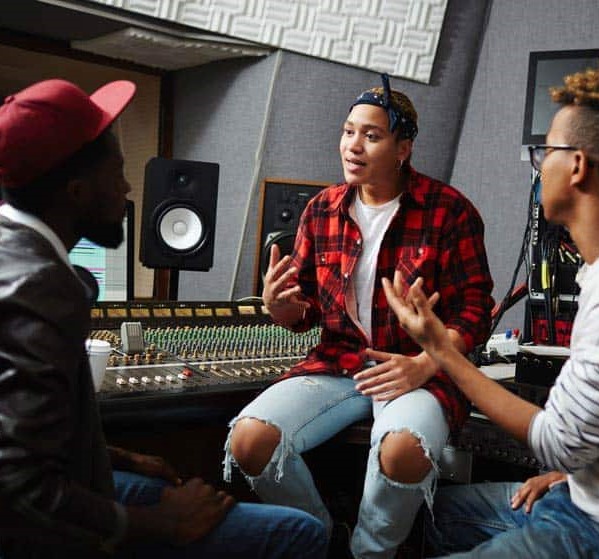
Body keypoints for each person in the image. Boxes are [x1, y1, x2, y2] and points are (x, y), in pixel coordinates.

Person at [0, 78, 327, 559]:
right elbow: (16, 489)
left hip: (69, 481)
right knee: (299, 532)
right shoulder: (40, 287)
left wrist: (119, 457)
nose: (127, 188)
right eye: (117, 172)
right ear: (76, 191)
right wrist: (162, 524)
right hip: (44, 527)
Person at [224, 73, 494, 558]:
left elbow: (476, 311)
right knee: (249, 441)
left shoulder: (450, 211)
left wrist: (427, 363)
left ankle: (369, 553)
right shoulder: (321, 210)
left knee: (404, 451)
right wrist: (281, 308)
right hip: (340, 364)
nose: (353, 145)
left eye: (372, 135)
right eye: (349, 131)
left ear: (403, 148)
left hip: (417, 368)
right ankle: (323, 540)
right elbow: (305, 310)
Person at [381, 66, 599, 559]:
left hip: (590, 528)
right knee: (416, 516)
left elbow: (555, 441)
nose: (538, 166)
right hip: (572, 491)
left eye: (545, 152)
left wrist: (441, 350)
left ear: (577, 167)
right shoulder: (591, 274)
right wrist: (575, 473)